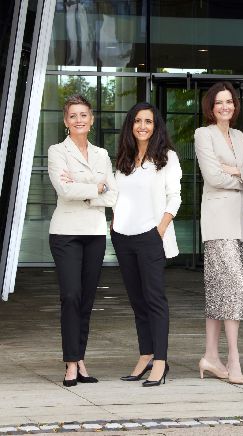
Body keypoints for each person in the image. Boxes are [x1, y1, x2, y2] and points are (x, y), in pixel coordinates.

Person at [48, 94, 117, 387]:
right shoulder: (57, 151)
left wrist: (85, 189)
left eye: (83, 115)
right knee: (71, 296)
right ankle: (70, 362)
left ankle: (79, 360)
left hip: (95, 233)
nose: (79, 120)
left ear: (91, 120)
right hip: (65, 233)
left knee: (86, 299)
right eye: (73, 115)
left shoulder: (102, 154)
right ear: (66, 121)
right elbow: (64, 191)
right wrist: (96, 188)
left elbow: (113, 195)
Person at [112, 102, 182, 387]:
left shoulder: (167, 157)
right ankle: (146, 354)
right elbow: (116, 195)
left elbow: (175, 196)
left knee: (154, 300)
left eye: (148, 121)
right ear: (131, 125)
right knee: (137, 301)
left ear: (156, 126)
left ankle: (161, 361)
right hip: (122, 237)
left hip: (151, 236)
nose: (142, 126)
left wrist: (160, 229)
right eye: (138, 121)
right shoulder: (124, 158)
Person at [194, 82, 243, 385]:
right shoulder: (203, 134)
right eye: (219, 102)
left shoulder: (239, 136)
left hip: (236, 222)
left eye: (229, 101)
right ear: (211, 106)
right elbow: (213, 177)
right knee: (233, 287)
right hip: (218, 222)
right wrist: (240, 172)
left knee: (220, 289)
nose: (225, 106)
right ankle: (233, 358)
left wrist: (235, 170)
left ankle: (210, 356)